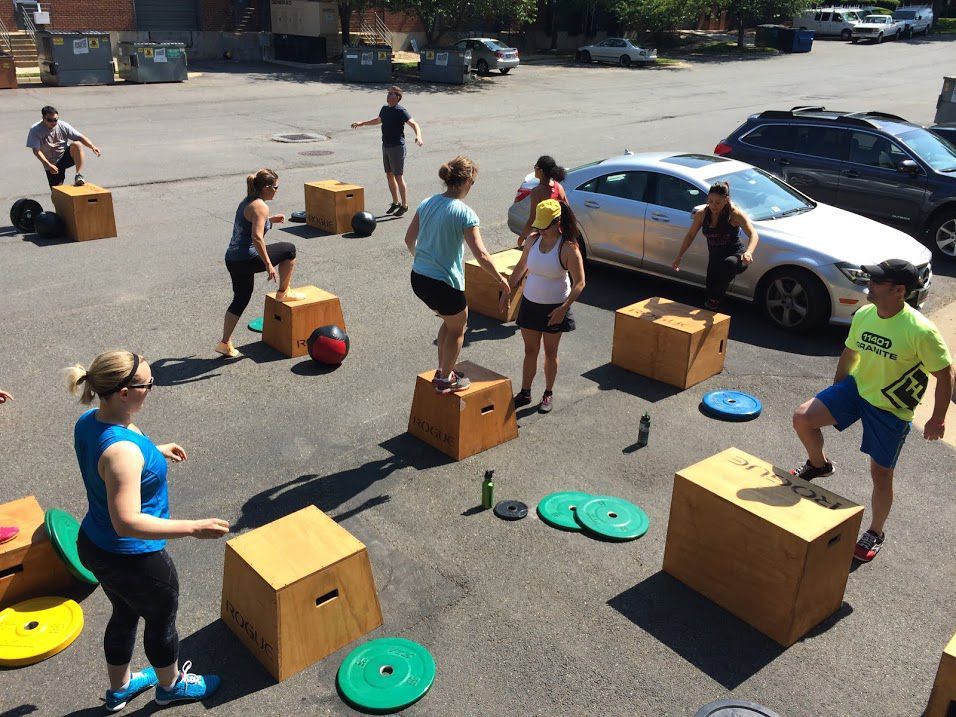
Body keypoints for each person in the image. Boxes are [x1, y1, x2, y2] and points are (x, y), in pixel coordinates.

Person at [65, 351, 228, 709]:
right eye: (147, 384)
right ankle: (170, 687)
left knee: (123, 613)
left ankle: (119, 688)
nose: (152, 388)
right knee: (161, 620)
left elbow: (111, 460)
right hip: (133, 559)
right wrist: (192, 527)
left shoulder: (91, 421)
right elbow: (127, 522)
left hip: (94, 543)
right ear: (124, 392)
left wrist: (152, 451)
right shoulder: (123, 452)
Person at [791, 259, 952, 563]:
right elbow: (850, 352)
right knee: (803, 418)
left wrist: (938, 418)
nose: (870, 286)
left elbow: (944, 374)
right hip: (857, 389)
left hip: (891, 409)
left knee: (881, 473)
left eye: (877, 282)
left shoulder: (921, 331)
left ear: (899, 290)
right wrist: (835, 392)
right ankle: (819, 464)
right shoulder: (865, 314)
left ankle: (876, 532)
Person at [405, 156, 510, 393]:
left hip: (419, 277)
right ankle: (444, 380)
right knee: (458, 328)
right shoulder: (465, 213)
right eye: (473, 182)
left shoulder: (427, 203)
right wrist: (502, 281)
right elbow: (482, 255)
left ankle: (445, 370)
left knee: (449, 322)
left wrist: (422, 259)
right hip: (443, 283)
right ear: (467, 181)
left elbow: (409, 239)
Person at [510, 199, 585, 413]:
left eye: (545, 226)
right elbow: (521, 266)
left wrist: (563, 309)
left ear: (557, 222)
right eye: (538, 225)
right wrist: (508, 289)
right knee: (530, 350)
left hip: (555, 308)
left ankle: (548, 393)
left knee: (550, 352)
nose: (540, 230)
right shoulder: (532, 241)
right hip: (530, 304)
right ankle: (525, 392)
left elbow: (580, 282)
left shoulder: (568, 248)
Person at [217, 169, 301, 358]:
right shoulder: (261, 206)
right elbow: (256, 237)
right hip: (248, 258)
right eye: (276, 187)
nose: (277, 191)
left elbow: (252, 223)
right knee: (290, 249)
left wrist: (271, 220)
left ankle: (224, 343)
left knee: (241, 298)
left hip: (232, 259)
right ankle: (283, 293)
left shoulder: (247, 201)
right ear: (266, 187)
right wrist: (268, 264)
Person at [671, 181, 758, 311]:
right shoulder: (702, 215)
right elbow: (690, 235)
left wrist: (749, 252)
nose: (713, 206)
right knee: (711, 291)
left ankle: (716, 299)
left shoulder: (734, 215)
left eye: (718, 202)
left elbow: (753, 234)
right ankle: (713, 308)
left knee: (728, 264)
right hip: (715, 258)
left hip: (737, 257)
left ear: (726, 200)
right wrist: (679, 256)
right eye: (710, 201)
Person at [351, 86, 424, 217]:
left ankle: (404, 205)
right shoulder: (385, 109)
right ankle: (395, 202)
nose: (389, 96)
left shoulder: (401, 111)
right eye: (388, 93)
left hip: (397, 147)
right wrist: (362, 123)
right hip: (386, 146)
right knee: (389, 175)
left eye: (392, 94)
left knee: (398, 176)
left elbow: (414, 124)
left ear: (398, 97)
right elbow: (378, 120)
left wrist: (418, 136)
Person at [26, 105, 101, 189]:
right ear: (43, 118)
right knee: (57, 192)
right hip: (51, 163)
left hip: (65, 156)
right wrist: (48, 165)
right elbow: (36, 151)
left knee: (77, 144)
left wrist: (92, 146)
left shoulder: (62, 125)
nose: (53, 123)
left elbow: (80, 137)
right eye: (49, 120)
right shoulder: (35, 130)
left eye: (55, 120)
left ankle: (78, 175)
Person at [517, 156, 568, 248]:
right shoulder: (558, 187)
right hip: (558, 233)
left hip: (544, 234)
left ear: (541, 171)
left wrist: (523, 236)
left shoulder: (537, 191)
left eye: (536, 167)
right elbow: (567, 210)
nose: (535, 169)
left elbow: (533, 217)